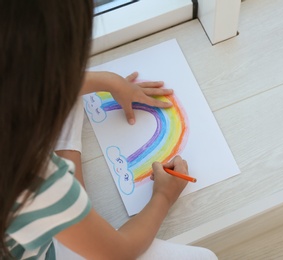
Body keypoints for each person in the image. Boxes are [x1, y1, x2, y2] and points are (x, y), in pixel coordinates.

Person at [0, 1, 217, 259]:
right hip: (45, 247)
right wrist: (163, 196)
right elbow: (119, 252)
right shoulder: (38, 185)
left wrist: (108, 80)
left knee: (73, 100)